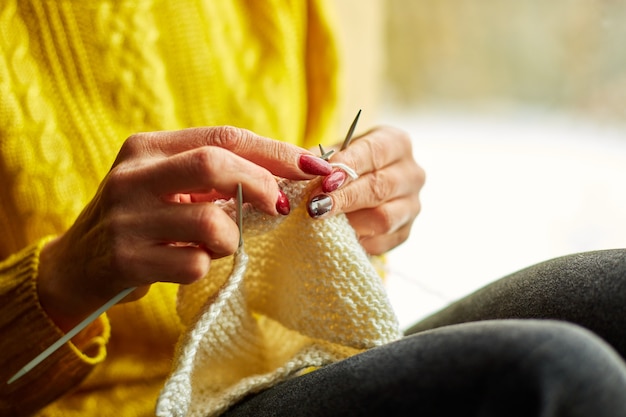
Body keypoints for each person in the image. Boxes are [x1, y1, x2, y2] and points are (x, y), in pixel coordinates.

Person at [0, 1, 624, 416]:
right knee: (555, 373)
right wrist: (63, 281)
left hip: (297, 368)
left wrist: (372, 209)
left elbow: (329, 205)